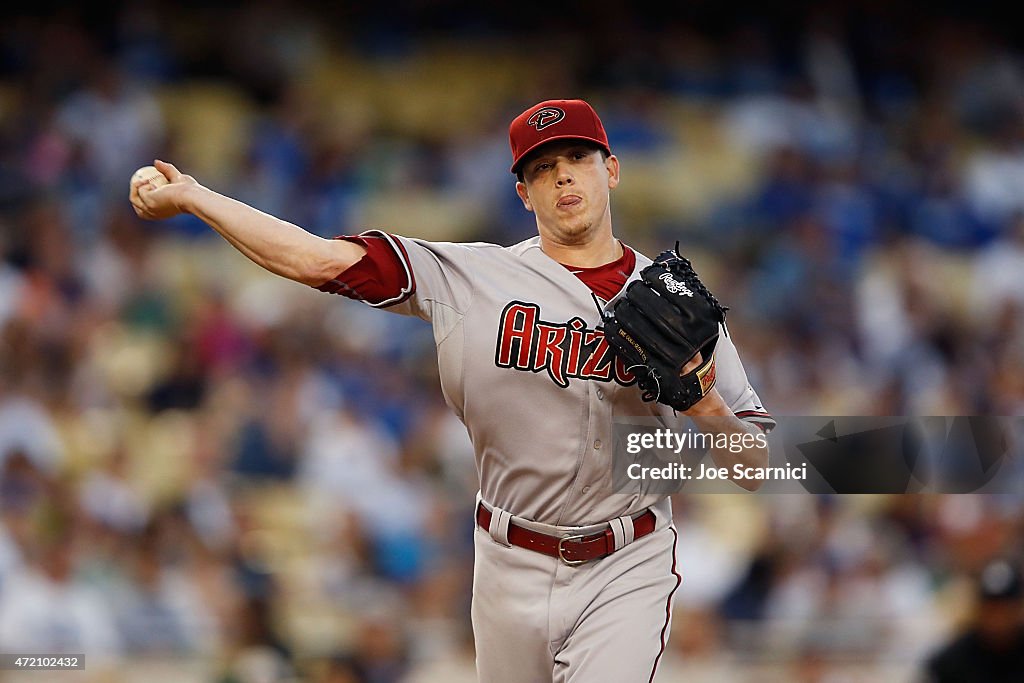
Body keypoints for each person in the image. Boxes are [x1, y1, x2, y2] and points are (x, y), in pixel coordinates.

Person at [130, 98, 774, 682]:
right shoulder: (471, 278)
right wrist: (195, 197)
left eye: (578, 157)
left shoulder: (676, 305)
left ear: (612, 169)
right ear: (524, 194)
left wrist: (706, 406)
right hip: (507, 557)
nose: (563, 177)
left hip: (625, 561)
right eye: (543, 167)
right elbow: (316, 259)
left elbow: (759, 467)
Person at [923, 558, 1024, 683]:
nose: (998, 619)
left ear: (1019, 608)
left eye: (1005, 610)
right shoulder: (951, 662)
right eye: (991, 610)